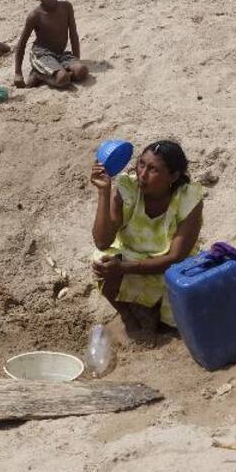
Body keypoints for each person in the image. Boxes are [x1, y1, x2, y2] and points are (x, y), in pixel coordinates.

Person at [90, 141, 205, 331]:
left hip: (171, 269)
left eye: (153, 170)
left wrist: (123, 268)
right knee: (102, 260)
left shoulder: (189, 198)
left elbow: (175, 258)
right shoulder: (128, 188)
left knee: (175, 326)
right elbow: (102, 241)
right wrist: (103, 192)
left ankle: (155, 314)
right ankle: (128, 314)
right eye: (141, 164)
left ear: (174, 176)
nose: (142, 174)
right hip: (131, 258)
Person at [14, 0, 88, 89]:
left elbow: (73, 35)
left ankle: (53, 71)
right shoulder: (35, 16)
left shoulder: (67, 7)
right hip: (42, 54)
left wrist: (76, 60)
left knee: (82, 71)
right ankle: (38, 74)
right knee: (63, 79)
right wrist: (18, 73)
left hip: (61, 54)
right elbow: (21, 43)